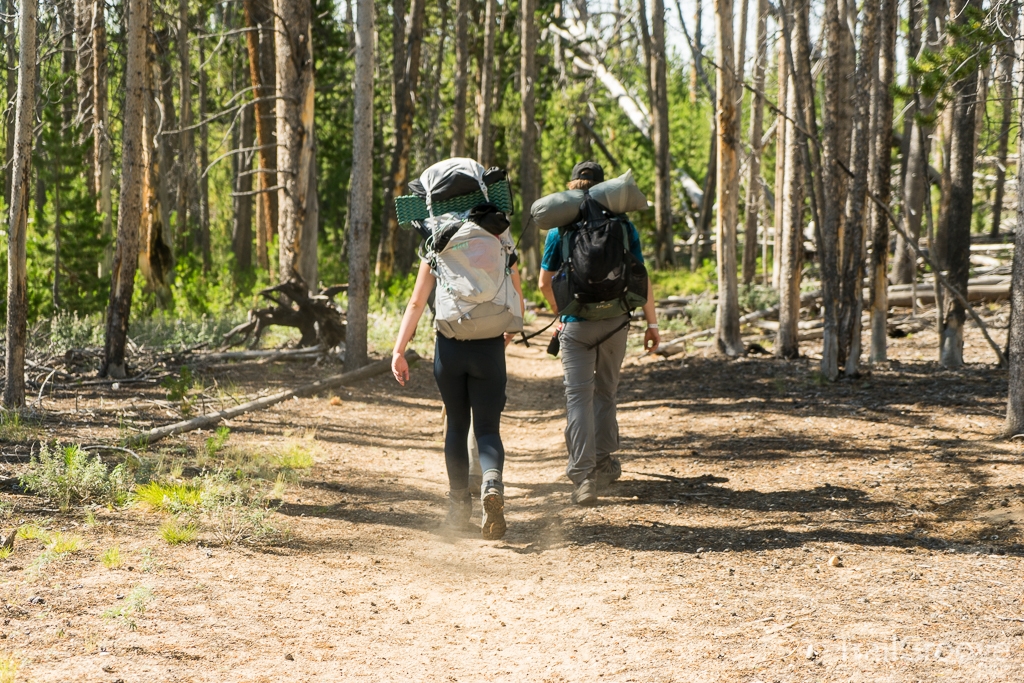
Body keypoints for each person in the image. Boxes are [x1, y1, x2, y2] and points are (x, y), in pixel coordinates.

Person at [537, 161, 660, 506]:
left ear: (572, 187)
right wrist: (652, 324)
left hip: (576, 325)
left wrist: (561, 313)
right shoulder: (622, 225)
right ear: (603, 188)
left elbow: (544, 283)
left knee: (578, 398)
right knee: (605, 392)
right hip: (616, 323)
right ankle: (605, 462)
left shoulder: (559, 230)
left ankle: (583, 477)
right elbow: (641, 276)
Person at [392, 231, 525, 539]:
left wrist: (399, 351)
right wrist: (510, 329)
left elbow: (416, 301)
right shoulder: (499, 240)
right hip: (489, 347)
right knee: (488, 429)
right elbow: (515, 292)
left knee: (456, 425)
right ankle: (492, 483)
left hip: (450, 347)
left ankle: (458, 509)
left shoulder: (438, 241)